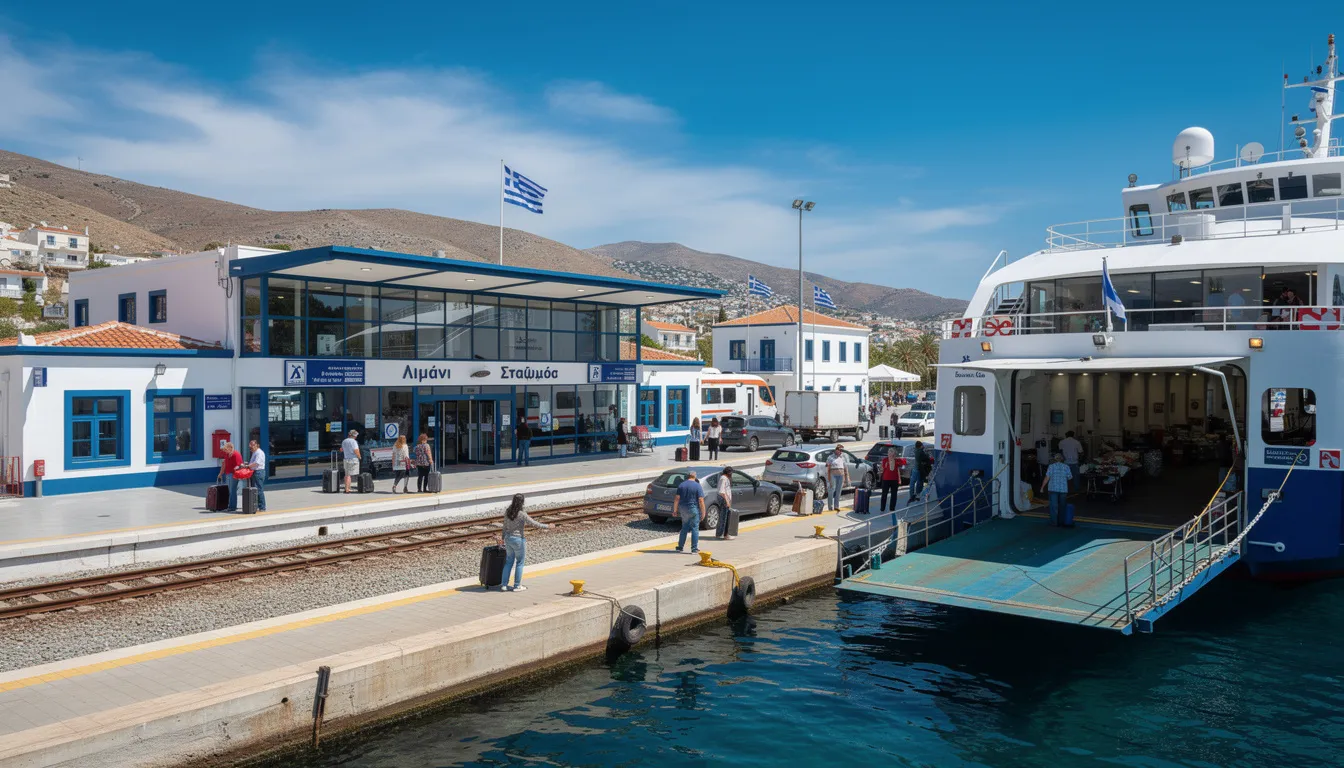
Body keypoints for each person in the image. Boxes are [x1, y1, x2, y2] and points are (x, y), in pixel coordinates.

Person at [498, 493, 548, 591]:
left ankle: (504, 585)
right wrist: (547, 526)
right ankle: (517, 586)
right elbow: (534, 523)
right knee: (520, 563)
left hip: (508, 539)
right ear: (522, 502)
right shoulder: (521, 514)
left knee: (508, 562)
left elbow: (504, 526)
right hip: (518, 540)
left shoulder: (508, 511)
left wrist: (503, 538)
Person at [672, 469, 706, 553]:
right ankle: (694, 549)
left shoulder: (681, 485)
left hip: (683, 508)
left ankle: (680, 547)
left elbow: (677, 499)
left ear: (688, 476)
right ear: (695, 476)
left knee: (684, 527)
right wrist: (703, 513)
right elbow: (701, 500)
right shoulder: (697, 486)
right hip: (693, 508)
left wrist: (675, 510)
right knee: (695, 528)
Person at [1039, 453, 1073, 526]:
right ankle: (1061, 522)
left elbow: (1047, 478)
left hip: (1053, 489)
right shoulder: (1066, 467)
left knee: (1053, 506)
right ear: (1062, 459)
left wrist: (1042, 487)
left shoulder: (1051, 466)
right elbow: (1070, 477)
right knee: (1062, 506)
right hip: (1063, 489)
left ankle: (1054, 522)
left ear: (1054, 459)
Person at [217, 441, 243, 512]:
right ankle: (230, 505)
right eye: (224, 449)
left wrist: (236, 468)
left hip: (234, 474)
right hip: (228, 474)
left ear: (230, 448)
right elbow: (224, 464)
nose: (225, 451)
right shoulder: (227, 454)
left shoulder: (236, 454)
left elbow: (240, 464)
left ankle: (232, 507)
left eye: (226, 449)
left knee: (232, 490)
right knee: (230, 490)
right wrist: (221, 473)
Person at [824, 445, 849, 512]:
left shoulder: (843, 457)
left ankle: (836, 506)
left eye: (841, 451)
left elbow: (845, 468)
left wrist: (847, 478)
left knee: (839, 490)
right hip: (833, 474)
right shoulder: (831, 457)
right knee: (831, 490)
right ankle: (830, 506)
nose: (840, 452)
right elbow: (827, 467)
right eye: (839, 450)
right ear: (836, 450)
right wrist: (828, 477)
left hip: (841, 475)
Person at [879, 446, 903, 513]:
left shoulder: (897, 460)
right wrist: (883, 466)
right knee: (884, 494)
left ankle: (892, 508)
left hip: (894, 480)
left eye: (891, 452)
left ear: (894, 454)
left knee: (894, 495)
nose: (889, 453)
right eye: (889, 452)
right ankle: (882, 508)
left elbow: (902, 464)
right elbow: (882, 469)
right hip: (886, 479)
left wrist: (899, 479)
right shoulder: (885, 460)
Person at [246, 438, 267, 512]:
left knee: (259, 489)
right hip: (254, 472)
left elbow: (257, 463)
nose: (251, 447)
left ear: (257, 445)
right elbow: (253, 462)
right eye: (250, 446)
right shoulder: (254, 452)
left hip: (258, 472)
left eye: (252, 445)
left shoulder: (259, 453)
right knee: (255, 489)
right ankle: (257, 505)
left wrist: (248, 466)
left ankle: (262, 507)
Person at [715, 465, 736, 540]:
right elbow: (722, 491)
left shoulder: (724, 478)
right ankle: (724, 535)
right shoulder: (723, 479)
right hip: (723, 499)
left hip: (724, 499)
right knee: (724, 518)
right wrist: (727, 501)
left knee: (724, 517)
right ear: (729, 473)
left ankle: (721, 534)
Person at [340, 429, 361, 493]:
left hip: (346, 459)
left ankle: (347, 487)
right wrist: (359, 456)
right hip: (353, 459)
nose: (356, 437)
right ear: (354, 435)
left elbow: (341, 450)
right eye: (356, 435)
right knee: (349, 475)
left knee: (347, 474)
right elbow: (356, 450)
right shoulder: (354, 441)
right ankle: (347, 489)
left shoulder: (344, 441)